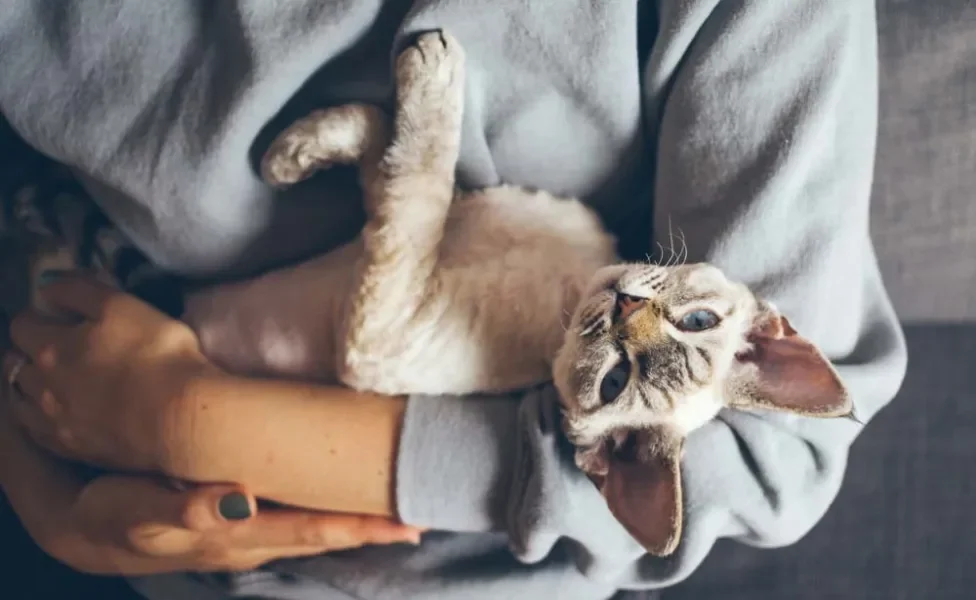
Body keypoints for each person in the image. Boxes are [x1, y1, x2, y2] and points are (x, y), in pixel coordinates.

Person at [0, 1, 907, 599]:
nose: (635, 313)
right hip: (110, 501)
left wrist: (194, 425)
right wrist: (41, 486)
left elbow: (774, 454)